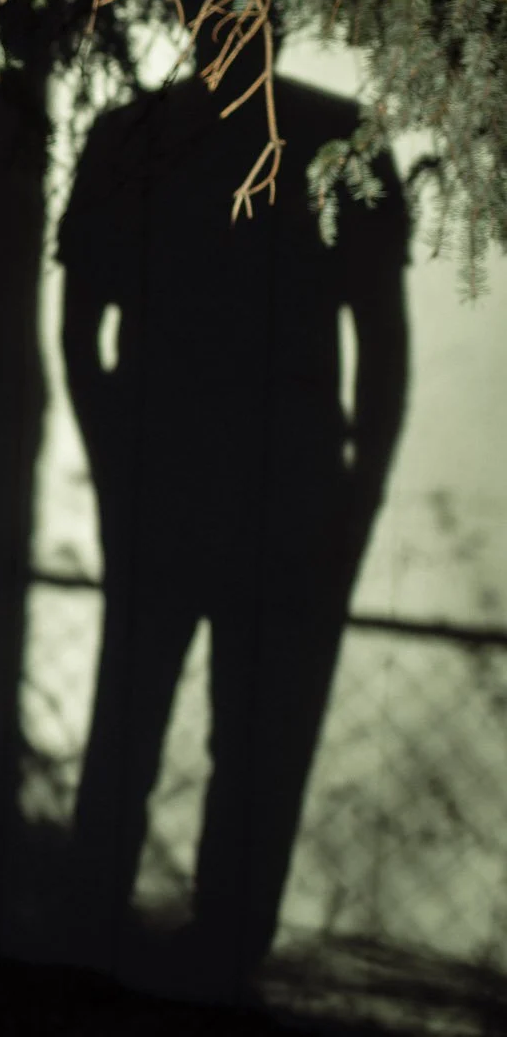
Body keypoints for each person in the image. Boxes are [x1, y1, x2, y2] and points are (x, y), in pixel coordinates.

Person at [60, 51, 408, 993]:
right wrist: (358, 495)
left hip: (212, 488)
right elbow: (382, 343)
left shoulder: (137, 137)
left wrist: (116, 470)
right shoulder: (329, 134)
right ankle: (193, 953)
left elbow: (83, 334)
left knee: (152, 721)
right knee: (241, 736)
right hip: (272, 491)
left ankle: (126, 946)